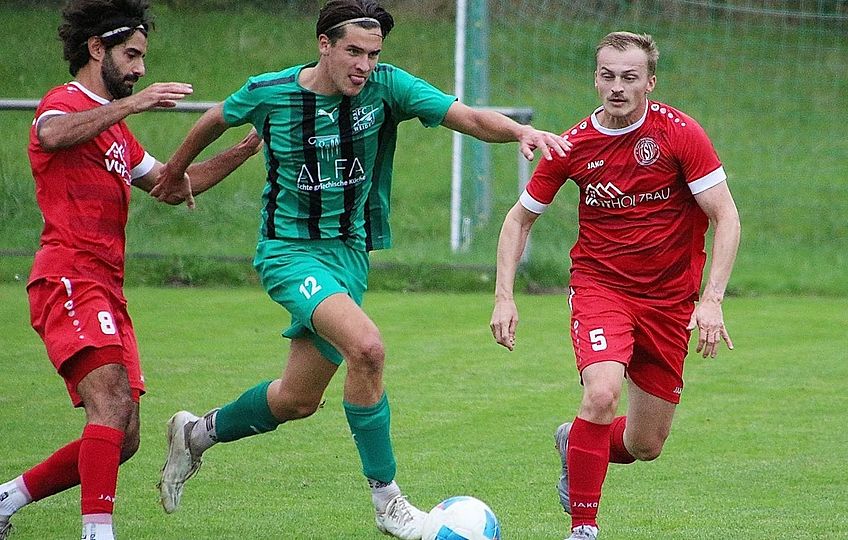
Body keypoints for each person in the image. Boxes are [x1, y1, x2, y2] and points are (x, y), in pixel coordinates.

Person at [151, 0, 571, 538]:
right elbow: (215, 118)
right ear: (323, 44)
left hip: (349, 257)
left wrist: (517, 133)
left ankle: (195, 435)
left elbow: (464, 116)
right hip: (289, 253)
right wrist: (176, 171)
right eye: (353, 51)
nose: (364, 65)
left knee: (297, 400)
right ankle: (387, 500)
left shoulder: (387, 87)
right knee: (367, 348)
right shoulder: (270, 91)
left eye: (373, 54)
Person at [0, 2, 262, 539]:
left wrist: (250, 146)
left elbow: (172, 186)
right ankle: (98, 532)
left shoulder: (117, 134)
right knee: (111, 404)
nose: (141, 68)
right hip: (68, 276)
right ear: (97, 48)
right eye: (132, 55)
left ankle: (7, 498)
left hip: (106, 287)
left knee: (123, 437)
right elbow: (52, 135)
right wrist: (135, 104)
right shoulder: (63, 103)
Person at [490, 32, 741, 540]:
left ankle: (576, 442)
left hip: (670, 301)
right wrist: (504, 296)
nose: (618, 87)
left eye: (630, 77)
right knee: (602, 394)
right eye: (608, 76)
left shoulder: (679, 133)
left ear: (650, 82)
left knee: (646, 445)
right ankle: (583, 529)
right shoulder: (573, 146)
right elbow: (519, 219)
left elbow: (726, 216)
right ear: (595, 80)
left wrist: (712, 299)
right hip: (602, 288)